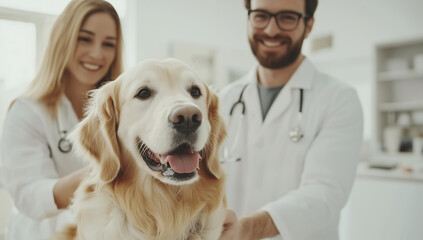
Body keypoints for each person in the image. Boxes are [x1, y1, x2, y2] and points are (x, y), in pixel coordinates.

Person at [218, 0, 363, 239]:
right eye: (261, 15)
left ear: (309, 25)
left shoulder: (339, 99)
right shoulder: (226, 99)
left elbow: (325, 193)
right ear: (248, 18)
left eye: (287, 17)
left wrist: (249, 227)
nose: (271, 30)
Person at [0, 0, 123, 239]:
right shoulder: (26, 111)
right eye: (84, 38)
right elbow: (30, 196)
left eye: (108, 44)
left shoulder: (122, 111)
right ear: (63, 39)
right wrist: (107, 169)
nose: (97, 53)